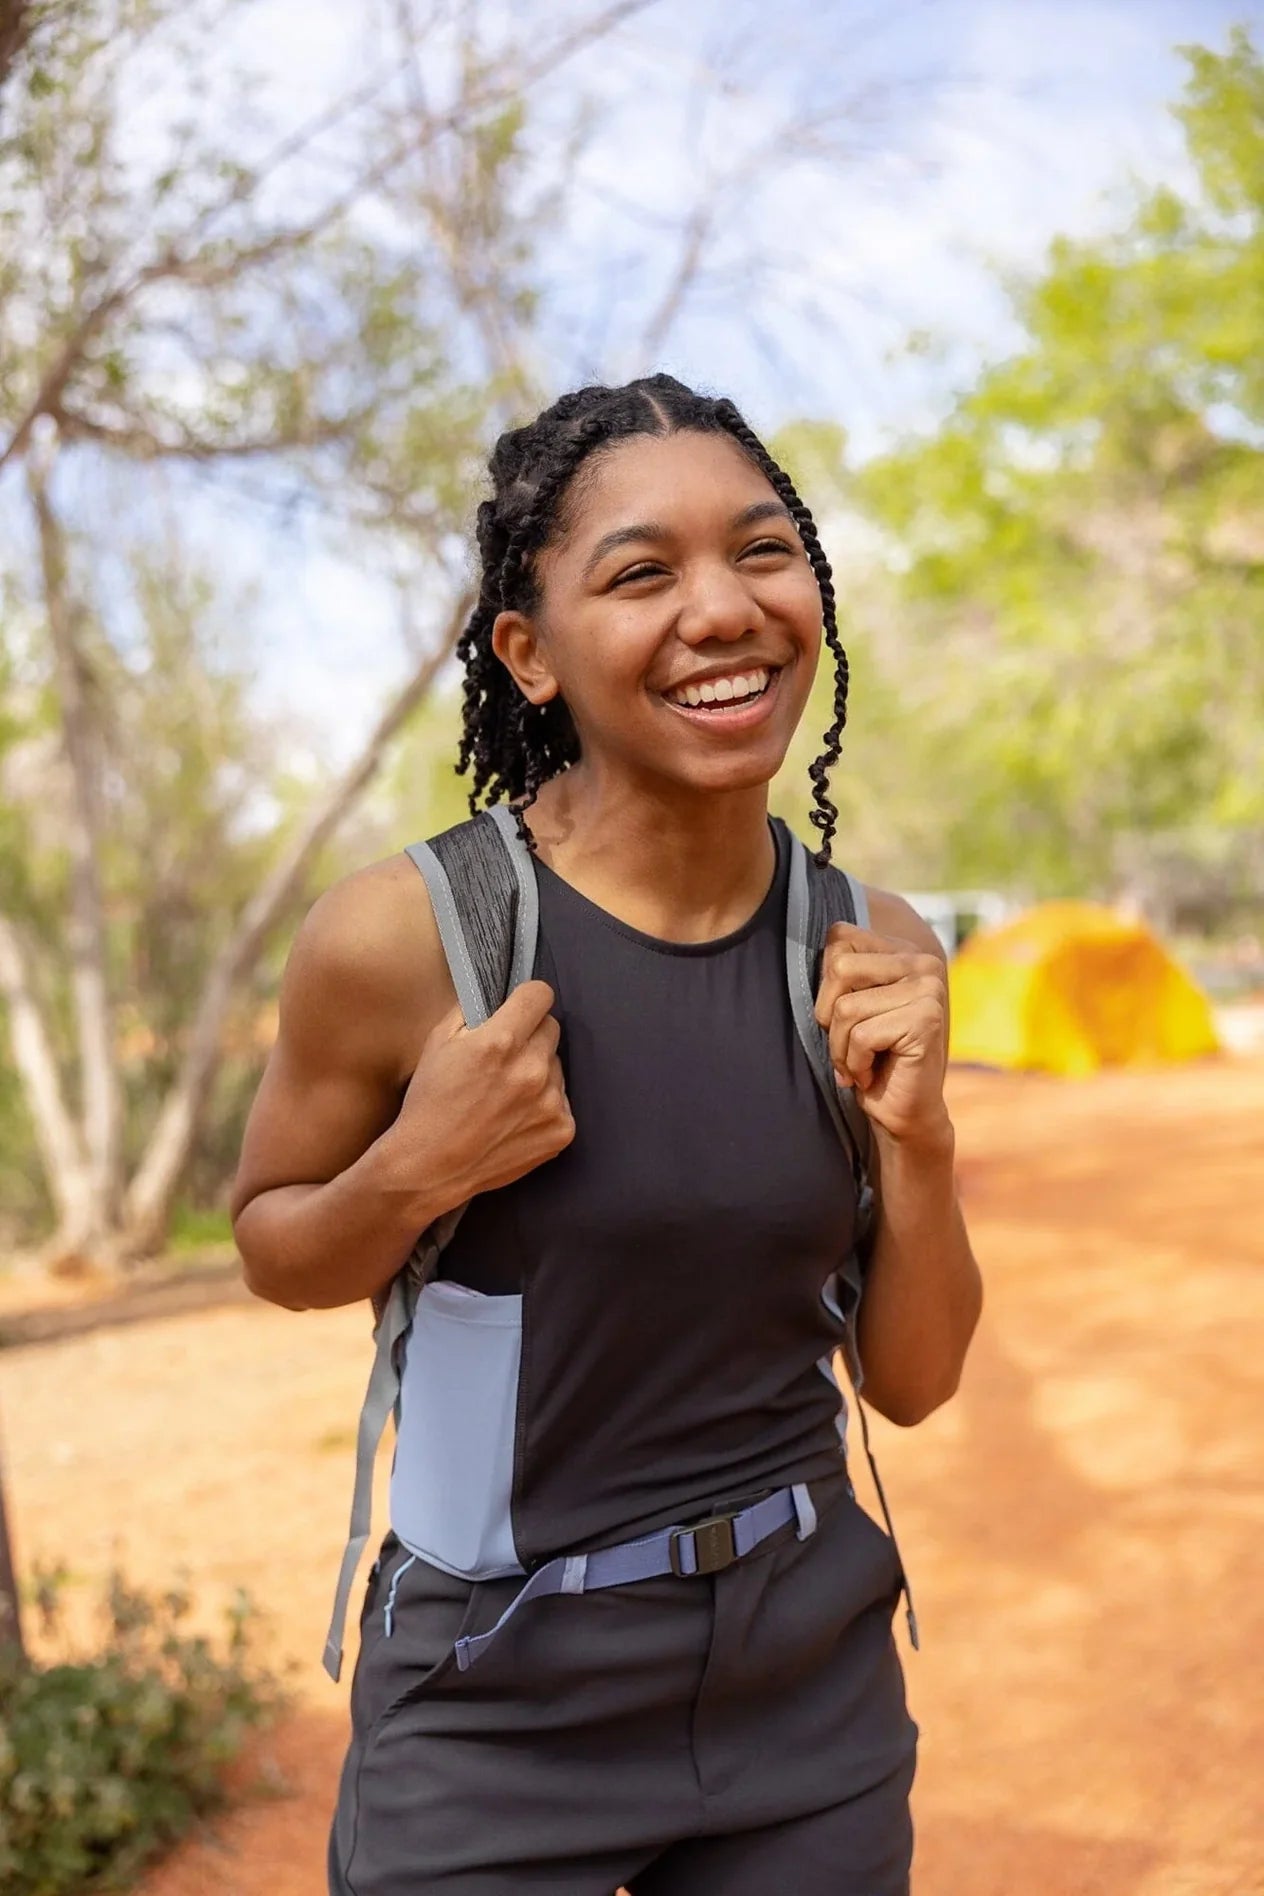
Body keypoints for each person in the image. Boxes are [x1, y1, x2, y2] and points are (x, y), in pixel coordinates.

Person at [230, 374, 983, 1896]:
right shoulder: (412, 938)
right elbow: (271, 1243)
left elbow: (909, 1385)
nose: (724, 610)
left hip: (805, 1689)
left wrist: (920, 1145)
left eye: (763, 553)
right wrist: (414, 1170)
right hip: (499, 1706)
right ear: (531, 652)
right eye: (641, 574)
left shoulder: (861, 943)